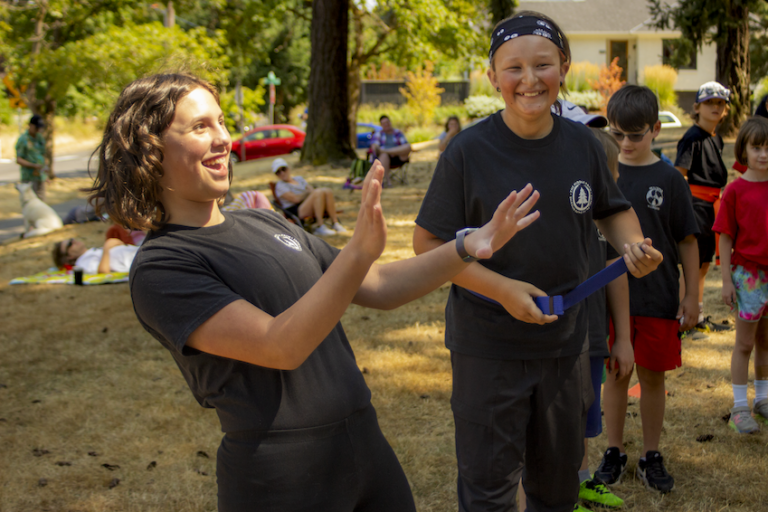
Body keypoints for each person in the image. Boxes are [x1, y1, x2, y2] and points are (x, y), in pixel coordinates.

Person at [86, 72, 543, 512]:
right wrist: (358, 252)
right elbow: (280, 345)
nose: (223, 138)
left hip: (365, 442)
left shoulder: (261, 221)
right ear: (149, 150)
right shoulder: (162, 267)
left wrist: (467, 246)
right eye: (200, 127)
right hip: (280, 473)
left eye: (222, 121)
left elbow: (378, 287)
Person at [413, 12, 663, 512]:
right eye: (514, 68)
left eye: (543, 65)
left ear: (564, 68)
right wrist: (503, 290)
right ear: (492, 77)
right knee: (490, 487)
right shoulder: (467, 152)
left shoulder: (583, 146)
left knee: (556, 483)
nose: (529, 80)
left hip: (564, 344)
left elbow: (612, 212)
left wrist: (632, 244)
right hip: (488, 347)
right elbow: (427, 244)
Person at [596, 85, 700, 495]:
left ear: (656, 129)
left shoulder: (670, 179)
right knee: (616, 375)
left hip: (657, 300)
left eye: (635, 135)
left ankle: (651, 454)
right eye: (617, 134)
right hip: (609, 300)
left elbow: (688, 241)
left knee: (653, 377)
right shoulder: (603, 174)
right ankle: (613, 450)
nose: (625, 144)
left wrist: (691, 295)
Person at [575, 128, 631, 511]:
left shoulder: (612, 223)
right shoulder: (561, 217)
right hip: (560, 339)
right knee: (557, 424)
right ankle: (560, 490)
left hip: (594, 337)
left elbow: (617, 276)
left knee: (581, 420)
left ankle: (579, 482)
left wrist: (622, 337)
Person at [713, 116, 768, 434]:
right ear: (744, 150)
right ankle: (739, 407)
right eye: (756, 147)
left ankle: (762, 399)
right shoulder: (735, 191)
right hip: (747, 276)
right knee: (745, 343)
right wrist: (724, 281)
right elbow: (725, 236)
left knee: (765, 341)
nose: (763, 154)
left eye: (767, 148)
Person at [674, 81, 734, 336]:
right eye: (709, 102)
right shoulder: (691, 138)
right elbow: (679, 175)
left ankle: (697, 316)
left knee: (703, 265)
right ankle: (682, 319)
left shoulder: (715, 138)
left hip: (712, 207)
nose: (715, 108)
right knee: (691, 265)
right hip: (695, 206)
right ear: (697, 107)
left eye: (720, 103)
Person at [273, 157, 346, 236]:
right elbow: (296, 199)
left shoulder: (299, 178)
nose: (282, 173)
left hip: (308, 203)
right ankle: (320, 225)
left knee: (327, 190)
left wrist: (308, 193)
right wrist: (307, 192)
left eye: (283, 169)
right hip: (296, 210)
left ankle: (335, 223)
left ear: (288, 168)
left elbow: (310, 189)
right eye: (278, 172)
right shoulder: (280, 186)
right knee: (318, 192)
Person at [52, 237, 139, 274]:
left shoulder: (90, 252)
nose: (74, 241)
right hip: (134, 260)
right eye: (70, 244)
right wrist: (107, 247)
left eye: (72, 239)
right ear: (69, 256)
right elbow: (102, 270)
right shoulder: (82, 262)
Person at [369, 115, 411, 187]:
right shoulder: (378, 134)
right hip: (384, 159)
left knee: (408, 146)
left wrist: (391, 151)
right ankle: (388, 181)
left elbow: (405, 145)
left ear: (390, 122)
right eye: (384, 123)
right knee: (384, 155)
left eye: (387, 122)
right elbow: (374, 146)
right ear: (381, 125)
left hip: (398, 157)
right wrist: (375, 147)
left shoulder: (398, 133)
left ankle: (386, 151)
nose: (386, 124)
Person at [15, 114, 49, 202]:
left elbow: (43, 155)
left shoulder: (39, 138)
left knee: (42, 202)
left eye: (39, 128)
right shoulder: (23, 139)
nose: (38, 130)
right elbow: (19, 159)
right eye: (36, 127)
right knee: (31, 203)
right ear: (30, 125)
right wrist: (33, 165)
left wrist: (45, 171)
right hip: (29, 177)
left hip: (40, 176)